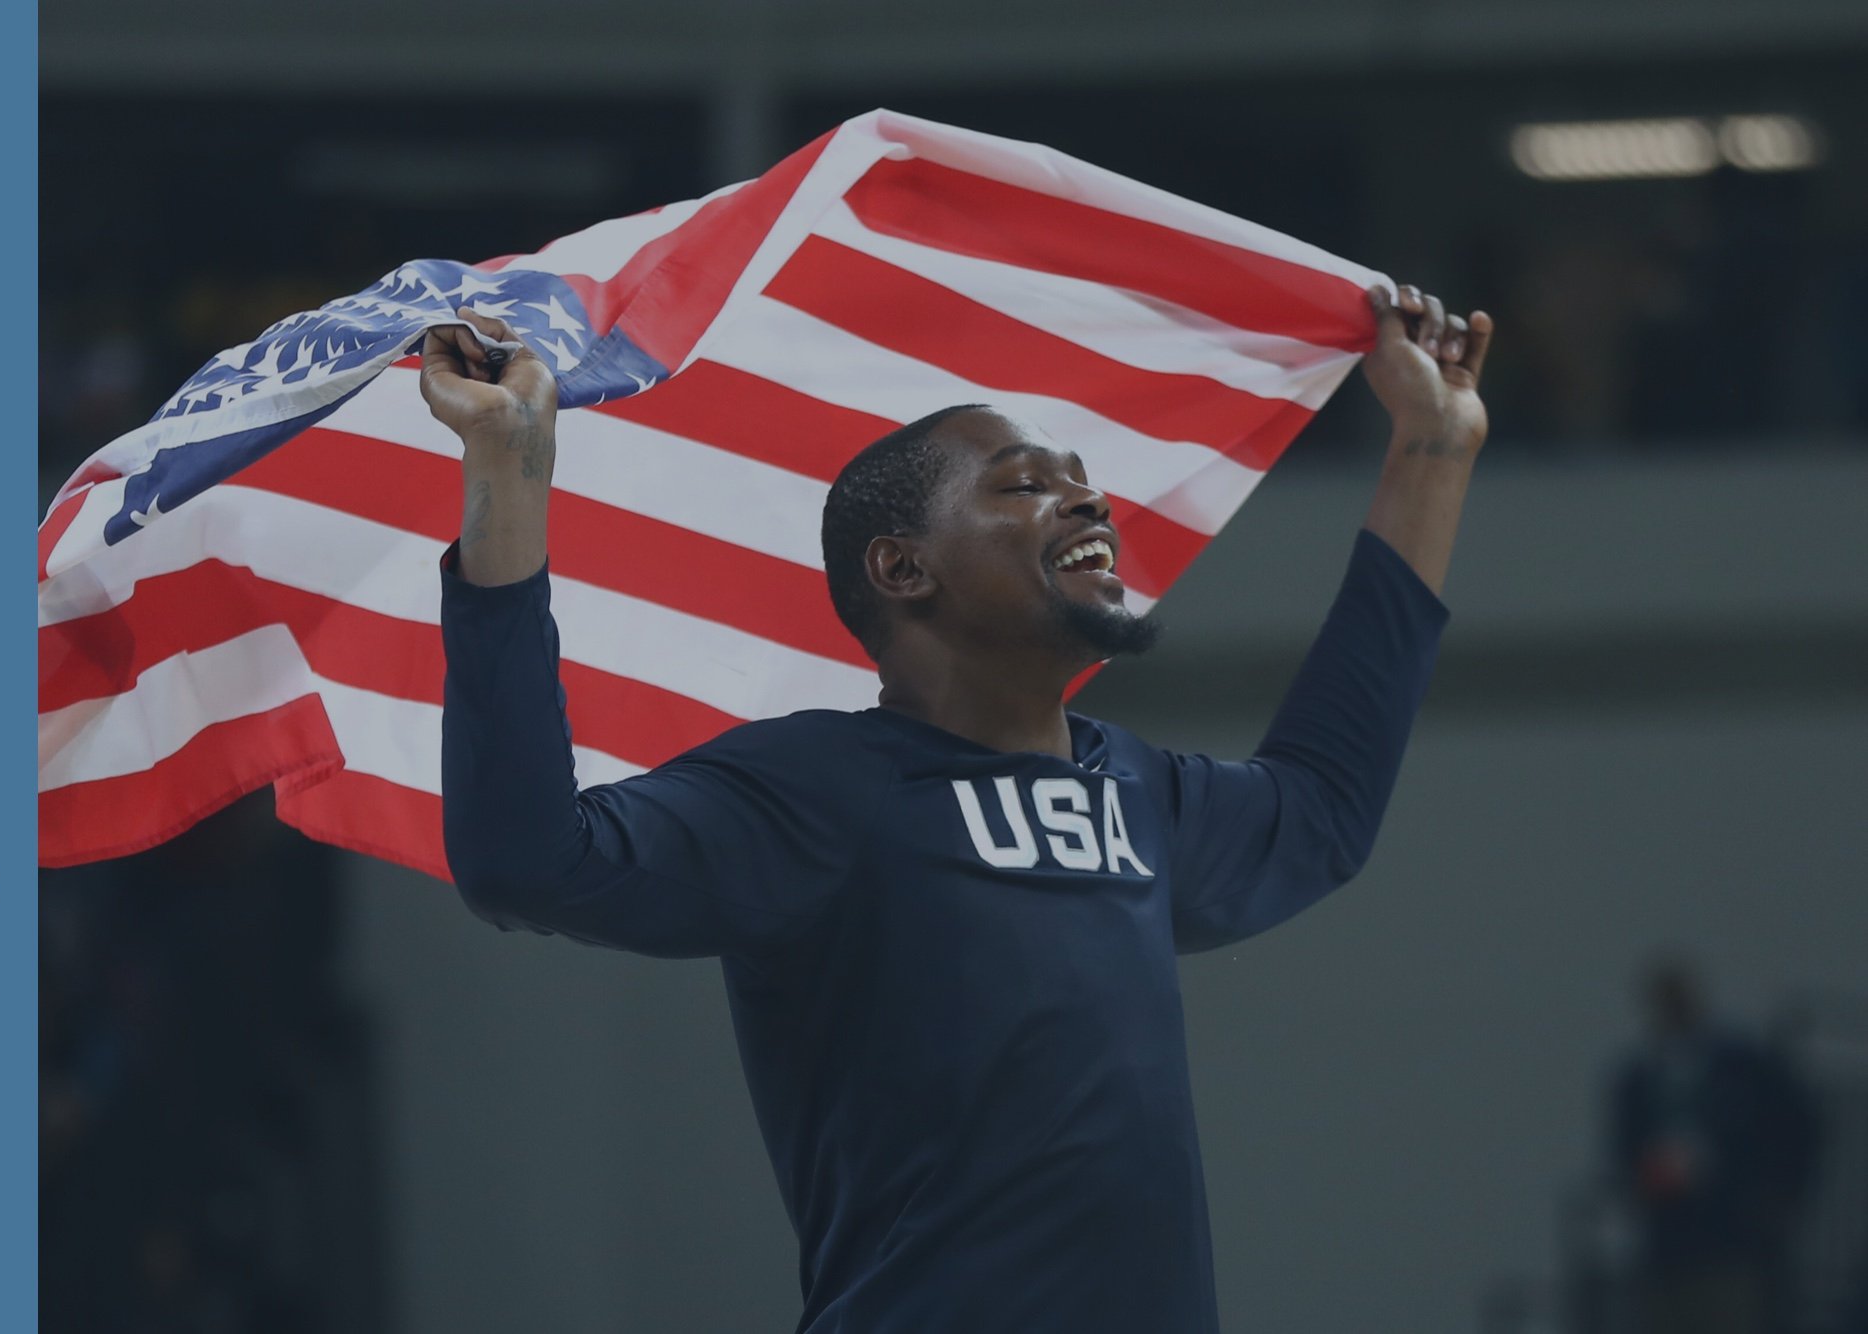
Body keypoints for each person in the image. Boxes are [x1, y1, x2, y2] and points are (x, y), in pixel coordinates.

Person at [424, 282, 1491, 1333]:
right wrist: (511, 472)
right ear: (902, 567)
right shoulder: (821, 789)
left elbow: (1323, 810)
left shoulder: (1138, 792)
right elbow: (526, 859)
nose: (1090, 501)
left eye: (1083, 482)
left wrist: (1432, 451)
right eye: (1025, 484)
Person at [1611, 960, 1821, 1334]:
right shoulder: (1639, 1077)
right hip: (1666, 1248)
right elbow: (1626, 1152)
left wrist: (1781, 1195)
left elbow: (1800, 1127)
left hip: (1731, 1244)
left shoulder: (1743, 1067)